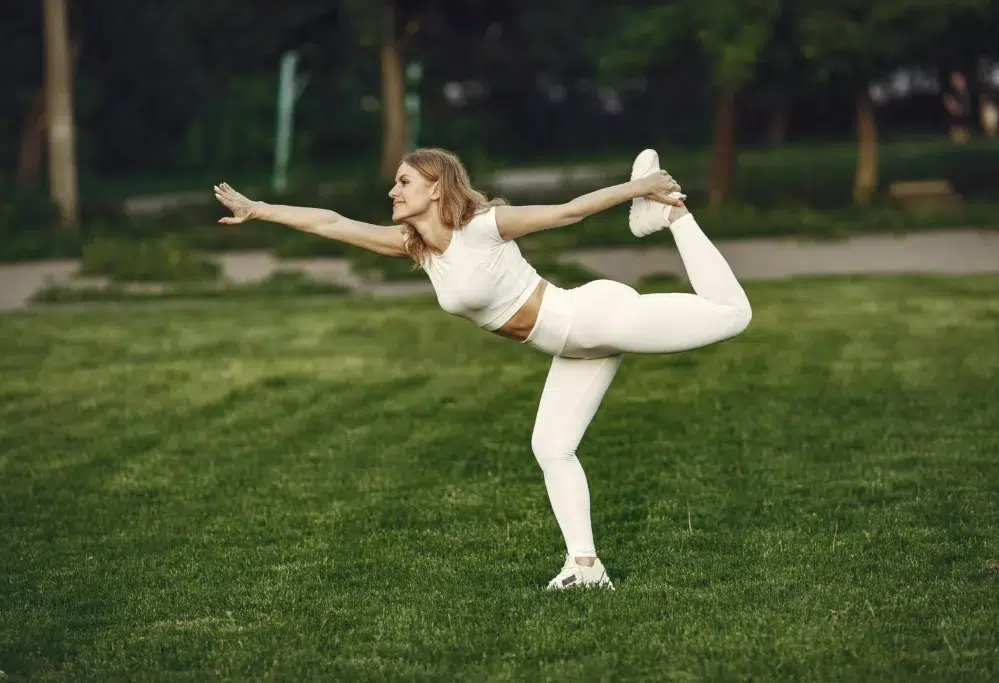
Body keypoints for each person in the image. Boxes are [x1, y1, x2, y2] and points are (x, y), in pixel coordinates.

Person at [213, 147, 752, 590]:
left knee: (733, 315)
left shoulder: (484, 227)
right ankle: (586, 570)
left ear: (435, 188)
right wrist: (258, 208)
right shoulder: (417, 248)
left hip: (594, 317)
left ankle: (673, 214)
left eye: (404, 182)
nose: (393, 192)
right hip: (573, 346)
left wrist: (639, 189)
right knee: (551, 447)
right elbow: (331, 222)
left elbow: (566, 211)